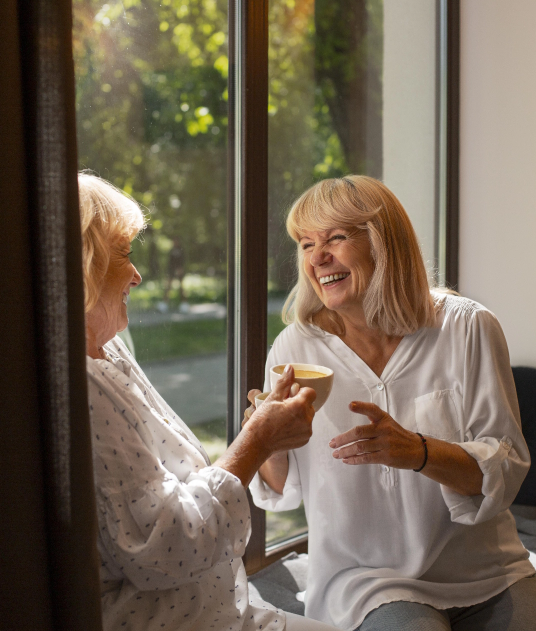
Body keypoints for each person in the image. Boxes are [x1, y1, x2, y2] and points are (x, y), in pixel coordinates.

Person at [248, 175, 536, 631]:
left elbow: (507, 465)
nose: (318, 257)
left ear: (384, 245)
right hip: (365, 580)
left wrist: (418, 452)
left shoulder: (468, 328)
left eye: (336, 238)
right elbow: (281, 491)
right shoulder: (294, 349)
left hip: (488, 571)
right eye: (306, 243)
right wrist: (268, 441)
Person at [80, 172, 339, 631]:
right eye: (123, 254)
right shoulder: (78, 389)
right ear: (82, 264)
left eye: (338, 237)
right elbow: (166, 549)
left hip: (227, 609)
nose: (137, 275)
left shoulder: (111, 349)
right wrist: (258, 440)